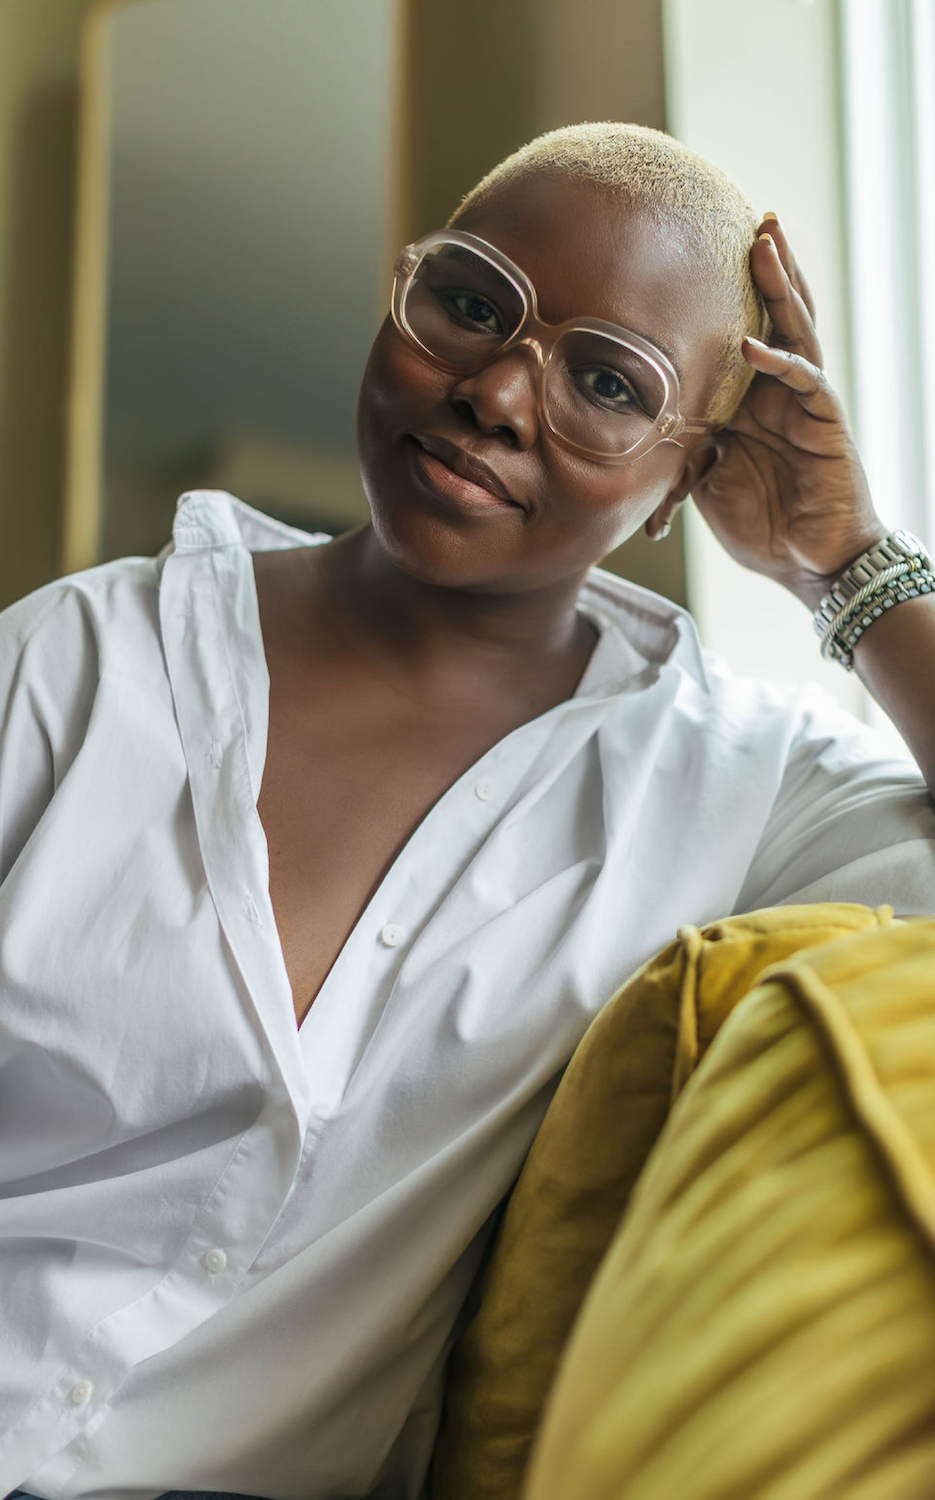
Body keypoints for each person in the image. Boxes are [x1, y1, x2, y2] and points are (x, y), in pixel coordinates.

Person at [1, 122, 933, 1500]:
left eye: (606, 382)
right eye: (472, 303)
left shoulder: (733, 787)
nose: (496, 392)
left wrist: (841, 560)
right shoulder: (80, 660)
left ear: (689, 473)